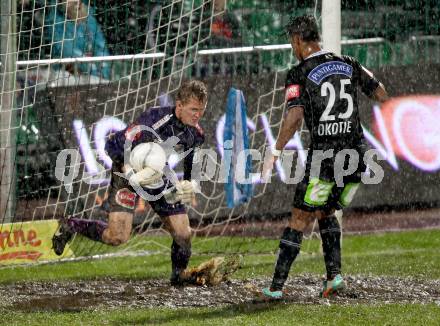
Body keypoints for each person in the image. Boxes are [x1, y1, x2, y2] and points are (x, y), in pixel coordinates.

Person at [261, 15, 389, 299]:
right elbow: (380, 93)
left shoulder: (299, 73)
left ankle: (275, 289)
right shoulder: (349, 62)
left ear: (297, 40)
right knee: (326, 210)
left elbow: (294, 117)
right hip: (356, 157)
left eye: (291, 42)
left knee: (298, 218)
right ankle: (334, 278)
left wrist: (276, 150)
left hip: (326, 159)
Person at [52, 80, 208, 286]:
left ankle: (178, 277)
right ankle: (71, 225)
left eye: (202, 110)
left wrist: (189, 183)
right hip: (127, 172)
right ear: (179, 106)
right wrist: (130, 169)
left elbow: (190, 161)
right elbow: (112, 144)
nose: (197, 115)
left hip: (158, 175)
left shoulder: (195, 134)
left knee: (183, 232)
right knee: (116, 236)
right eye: (193, 110)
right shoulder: (153, 120)